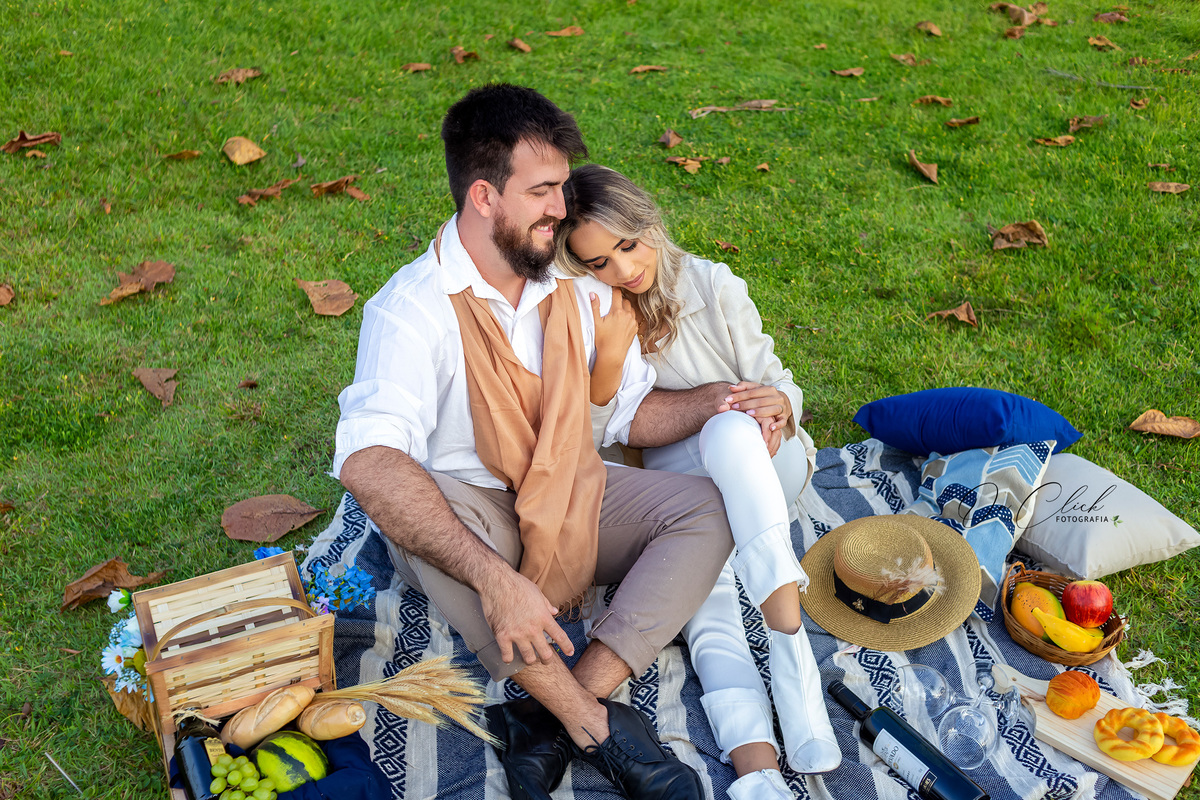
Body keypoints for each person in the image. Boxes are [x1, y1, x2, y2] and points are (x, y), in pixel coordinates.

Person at [332, 84, 739, 800]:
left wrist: (719, 402)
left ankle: (548, 714)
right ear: (486, 196)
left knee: (709, 508)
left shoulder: (567, 281)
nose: (563, 205)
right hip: (472, 507)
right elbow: (370, 461)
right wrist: (498, 582)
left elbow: (624, 419)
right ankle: (597, 727)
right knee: (441, 530)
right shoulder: (409, 310)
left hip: (570, 486)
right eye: (545, 190)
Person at [555, 164, 843, 800]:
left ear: (649, 224)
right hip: (677, 491)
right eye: (600, 262)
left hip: (761, 465)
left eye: (628, 246)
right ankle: (757, 772)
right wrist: (608, 344)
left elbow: (775, 375)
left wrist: (779, 402)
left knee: (732, 430)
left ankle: (788, 647)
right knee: (704, 599)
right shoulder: (593, 315)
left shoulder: (712, 284)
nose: (624, 270)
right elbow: (598, 428)